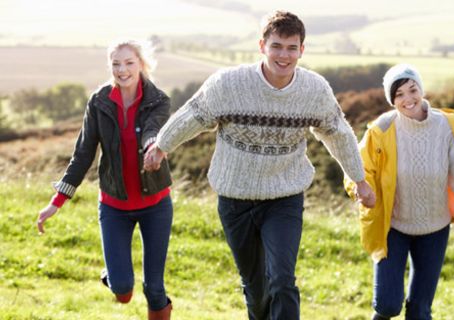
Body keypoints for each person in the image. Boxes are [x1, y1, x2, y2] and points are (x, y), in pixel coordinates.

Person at [143, 10, 375, 320]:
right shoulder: (229, 84)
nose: (284, 55)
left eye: (292, 48)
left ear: (302, 50)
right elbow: (193, 115)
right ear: (262, 45)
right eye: (277, 46)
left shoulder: (314, 91)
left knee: (281, 280)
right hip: (235, 199)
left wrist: (359, 180)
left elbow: (339, 134)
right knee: (256, 288)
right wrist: (162, 145)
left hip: (284, 197)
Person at [344, 63, 454, 320]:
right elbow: (358, 168)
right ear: (391, 100)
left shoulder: (449, 125)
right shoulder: (381, 129)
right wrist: (361, 190)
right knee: (387, 305)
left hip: (435, 230)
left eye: (412, 89)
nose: (408, 99)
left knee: (419, 311)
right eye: (399, 95)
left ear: (421, 89)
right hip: (393, 227)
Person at [36, 39, 174, 320]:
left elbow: (152, 130)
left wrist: (152, 148)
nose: (122, 70)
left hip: (155, 205)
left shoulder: (158, 100)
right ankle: (114, 275)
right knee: (123, 290)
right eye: (116, 64)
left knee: (154, 288)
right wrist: (57, 201)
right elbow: (83, 154)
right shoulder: (99, 102)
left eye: (129, 63)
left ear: (142, 65)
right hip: (114, 207)